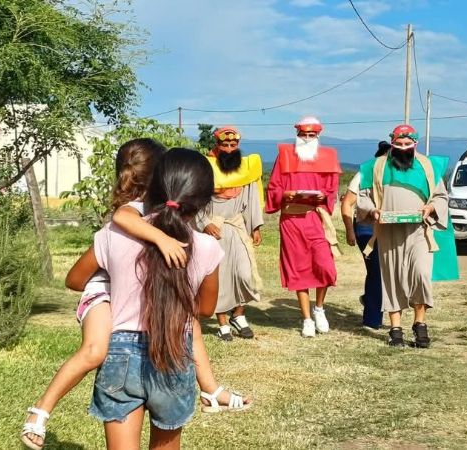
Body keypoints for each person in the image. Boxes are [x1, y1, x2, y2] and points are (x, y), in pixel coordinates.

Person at [21, 142, 249, 450]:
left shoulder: (115, 233)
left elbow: (75, 280)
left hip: (120, 355)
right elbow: (205, 310)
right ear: (203, 200)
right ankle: (211, 389)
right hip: (172, 353)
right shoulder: (208, 248)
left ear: (153, 186)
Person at [357, 124, 459, 348]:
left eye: (407, 145)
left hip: (419, 232)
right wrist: (373, 211)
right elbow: (363, 198)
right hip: (388, 232)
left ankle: (420, 325)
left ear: (415, 144)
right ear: (392, 144)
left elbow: (441, 197)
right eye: (398, 145)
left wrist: (430, 208)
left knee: (421, 275)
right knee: (393, 278)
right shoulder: (376, 167)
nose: (403, 148)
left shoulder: (428, 166)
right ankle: (396, 330)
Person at [265, 116, 342, 338]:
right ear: (297, 135)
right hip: (290, 220)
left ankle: (319, 308)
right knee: (298, 267)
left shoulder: (327, 157)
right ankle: (307, 319)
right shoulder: (285, 155)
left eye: (312, 135)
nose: (307, 139)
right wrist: (285, 194)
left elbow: (332, 189)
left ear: (318, 136)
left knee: (325, 265)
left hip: (314, 218)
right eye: (303, 135)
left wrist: (323, 197)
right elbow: (274, 188)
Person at [197, 126, 264, 341]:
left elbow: (253, 197)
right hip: (214, 229)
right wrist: (204, 223)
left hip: (237, 226)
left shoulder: (247, 168)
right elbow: (194, 199)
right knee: (220, 278)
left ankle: (239, 314)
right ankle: (222, 322)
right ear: (217, 145)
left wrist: (255, 226)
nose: (228, 149)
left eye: (232, 145)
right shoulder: (204, 168)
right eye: (224, 145)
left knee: (245, 274)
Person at [340, 141, 390, 329]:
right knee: (377, 270)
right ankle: (372, 319)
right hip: (366, 228)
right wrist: (349, 231)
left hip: (389, 229)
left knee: (386, 272)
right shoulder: (363, 174)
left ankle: (370, 299)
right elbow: (347, 203)